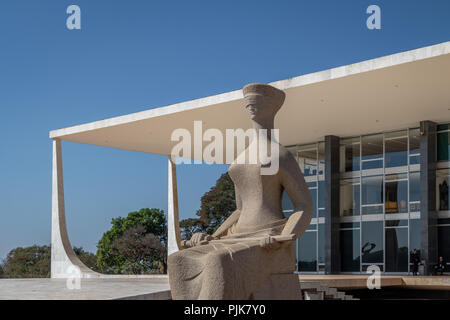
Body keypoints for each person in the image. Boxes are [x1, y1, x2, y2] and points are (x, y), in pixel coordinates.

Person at [167, 83, 314, 299]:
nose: (250, 103)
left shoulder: (281, 156)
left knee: (219, 261)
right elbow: (239, 210)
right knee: (178, 260)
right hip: (236, 237)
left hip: (266, 239)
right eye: (248, 101)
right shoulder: (240, 159)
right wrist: (213, 236)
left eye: (258, 100)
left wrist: (283, 237)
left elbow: (304, 205)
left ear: (272, 106)